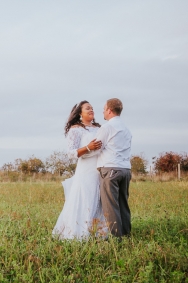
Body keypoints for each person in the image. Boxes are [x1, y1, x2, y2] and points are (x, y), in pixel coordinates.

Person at [52, 101, 107, 240]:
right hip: (86, 169)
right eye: (87, 108)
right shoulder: (76, 129)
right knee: (85, 198)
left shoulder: (99, 128)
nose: (91, 110)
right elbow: (71, 153)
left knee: (100, 200)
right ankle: (78, 233)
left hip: (101, 168)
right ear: (80, 113)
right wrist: (88, 147)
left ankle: (99, 232)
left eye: (92, 108)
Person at [95, 98, 132, 238]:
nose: (103, 112)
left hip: (110, 169)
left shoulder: (107, 128)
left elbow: (96, 148)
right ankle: (126, 233)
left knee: (110, 205)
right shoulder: (126, 129)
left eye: (104, 109)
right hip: (125, 170)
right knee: (123, 203)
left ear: (109, 110)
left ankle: (116, 237)